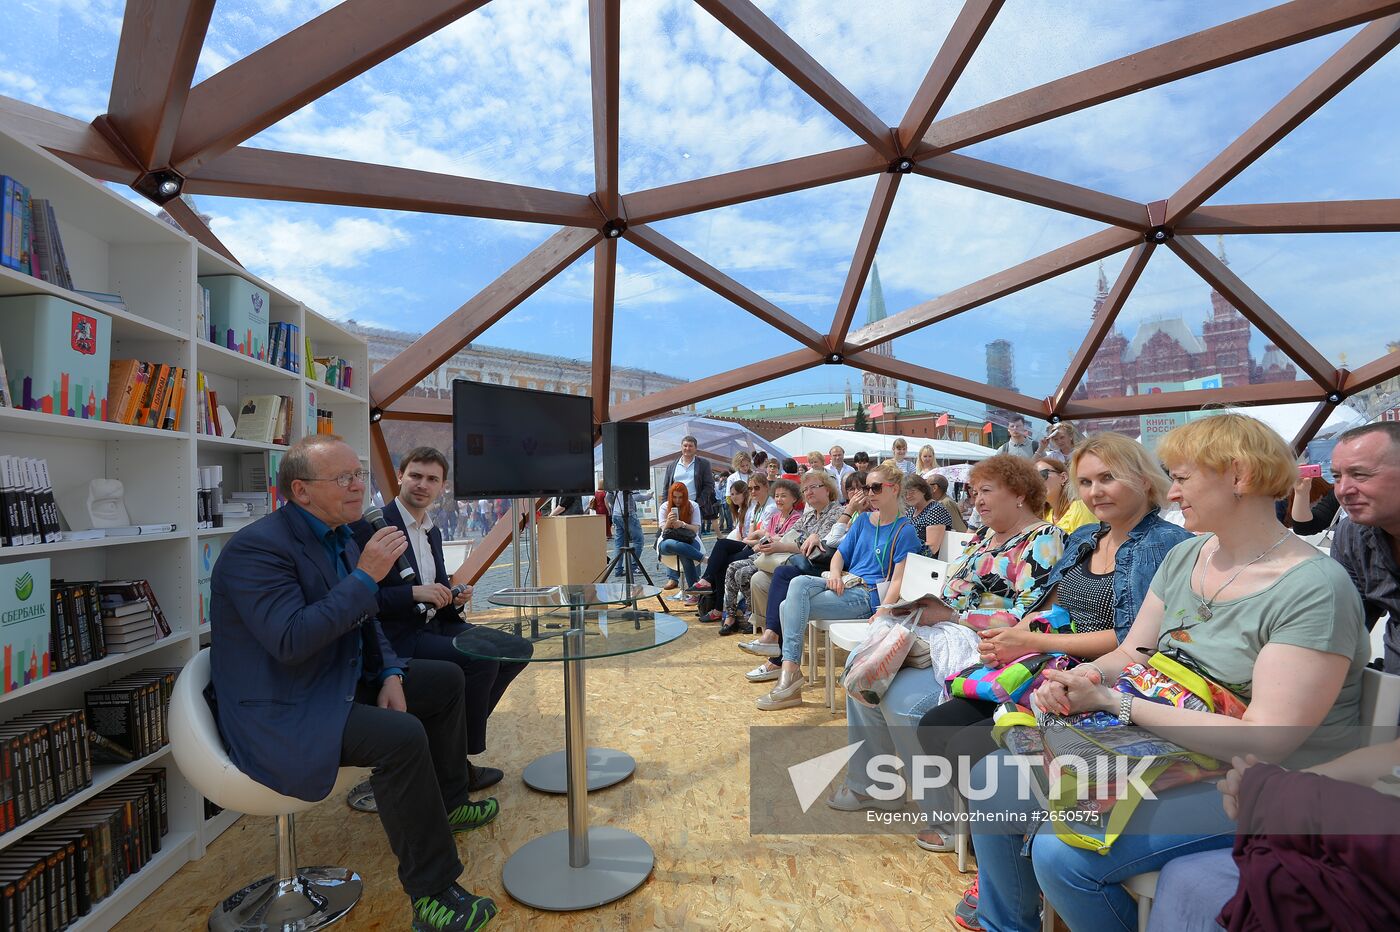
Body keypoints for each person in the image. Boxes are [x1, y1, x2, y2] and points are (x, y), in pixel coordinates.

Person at [969, 413, 1368, 932]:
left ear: (1239, 476)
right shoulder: (1186, 555)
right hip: (1173, 750)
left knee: (1065, 854)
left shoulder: (1312, 586)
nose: (1172, 493)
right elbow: (1134, 651)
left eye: (1182, 478)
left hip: (1266, 782)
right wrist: (1084, 679)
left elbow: (1269, 740)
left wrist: (1119, 704)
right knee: (993, 781)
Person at [210, 436, 499, 932]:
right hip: (286, 705)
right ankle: (432, 893)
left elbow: (366, 621)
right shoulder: (256, 551)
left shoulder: (340, 534)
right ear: (300, 491)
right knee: (402, 738)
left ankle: (450, 803)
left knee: (445, 679)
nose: (357, 486)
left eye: (359, 475)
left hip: (335, 679)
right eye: (343, 478)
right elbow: (290, 640)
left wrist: (389, 671)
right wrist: (367, 576)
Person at [919, 433, 1191, 920]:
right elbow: (1054, 608)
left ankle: (1016, 872)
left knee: (975, 747)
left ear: (1143, 478)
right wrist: (1014, 637)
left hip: (1101, 680)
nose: (1094, 492)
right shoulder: (1089, 538)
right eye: (1085, 482)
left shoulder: (1165, 546)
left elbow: (1133, 643)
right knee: (939, 725)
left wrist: (1038, 643)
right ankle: (1004, 860)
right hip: (1051, 669)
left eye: (1107, 478)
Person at [830, 455, 1065, 850]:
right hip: (946, 635)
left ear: (1021, 494)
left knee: (904, 701)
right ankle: (872, 784)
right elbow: (954, 590)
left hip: (994, 648)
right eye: (974, 493)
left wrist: (956, 614)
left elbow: (1030, 613)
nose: (977, 502)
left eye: (986, 492)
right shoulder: (983, 538)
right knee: (862, 672)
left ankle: (947, 817)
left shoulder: (1044, 540)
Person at [350, 446, 533, 796]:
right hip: (397, 634)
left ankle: (448, 752)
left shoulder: (431, 531)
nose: (422, 484)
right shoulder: (372, 528)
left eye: (432, 479)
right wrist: (415, 594)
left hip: (436, 623)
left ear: (442, 486)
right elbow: (361, 599)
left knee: (517, 649)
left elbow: (434, 586)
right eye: (415, 475)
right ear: (400, 476)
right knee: (480, 662)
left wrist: (453, 596)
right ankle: (454, 763)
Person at [754, 462, 925, 710]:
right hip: (846, 583)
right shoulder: (865, 520)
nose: (870, 493)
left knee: (785, 605)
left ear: (894, 489)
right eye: (867, 488)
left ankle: (788, 676)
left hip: (868, 596)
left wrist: (884, 610)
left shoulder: (904, 530)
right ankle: (790, 674)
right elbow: (839, 555)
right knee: (798, 582)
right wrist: (835, 573)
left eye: (876, 488)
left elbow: (898, 578)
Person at [741, 470, 868, 657]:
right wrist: (770, 540)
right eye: (805, 489)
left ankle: (775, 644)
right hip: (802, 564)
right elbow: (788, 534)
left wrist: (785, 544)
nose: (808, 492)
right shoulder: (808, 516)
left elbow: (824, 547)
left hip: (823, 567)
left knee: (782, 574)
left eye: (814, 487)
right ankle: (769, 634)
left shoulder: (837, 512)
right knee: (759, 578)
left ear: (828, 490)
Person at [1329, 421, 1400, 672]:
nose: (1343, 490)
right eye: (1336, 477)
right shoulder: (1352, 534)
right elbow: (1348, 625)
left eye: (1360, 474)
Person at [719, 478, 804, 634]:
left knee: (743, 573)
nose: (779, 499)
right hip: (764, 555)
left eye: (783, 496)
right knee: (731, 568)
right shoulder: (775, 518)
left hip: (778, 558)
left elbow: (786, 539)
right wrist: (761, 542)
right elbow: (767, 537)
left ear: (794, 498)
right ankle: (730, 615)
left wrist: (766, 540)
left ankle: (753, 615)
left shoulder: (796, 518)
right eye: (777, 496)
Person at [657, 481, 705, 595]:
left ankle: (694, 592)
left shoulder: (693, 506)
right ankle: (703, 561)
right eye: (674, 497)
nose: (677, 500)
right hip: (668, 542)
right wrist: (669, 522)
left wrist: (683, 524)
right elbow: (663, 530)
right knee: (671, 544)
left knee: (683, 551)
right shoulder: (664, 507)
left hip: (689, 539)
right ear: (670, 496)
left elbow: (695, 529)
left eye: (680, 497)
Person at [661, 435, 715, 525]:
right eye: (685, 446)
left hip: (693, 506)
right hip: (675, 507)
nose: (687, 448)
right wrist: (665, 505)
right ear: (681, 447)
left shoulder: (703, 464)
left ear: (695, 448)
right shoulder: (672, 466)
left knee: (693, 534)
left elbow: (709, 485)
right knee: (674, 533)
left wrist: (699, 503)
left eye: (690, 446)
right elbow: (666, 488)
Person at [1038, 455, 1097, 535]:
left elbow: (1089, 545)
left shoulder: (1080, 508)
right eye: (1034, 479)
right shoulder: (1046, 516)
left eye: (1042, 475)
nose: (1038, 482)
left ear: (1063, 477)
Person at [902, 473, 954, 557]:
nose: (907, 496)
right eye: (904, 493)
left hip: (927, 563)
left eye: (912, 492)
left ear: (923, 490)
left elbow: (931, 548)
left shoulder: (936, 510)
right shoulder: (912, 510)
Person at [606, 486, 653, 577]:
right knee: (638, 540)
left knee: (618, 543)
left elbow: (608, 496)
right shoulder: (630, 480)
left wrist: (614, 506)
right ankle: (633, 567)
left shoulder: (615, 479)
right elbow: (636, 497)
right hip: (628, 514)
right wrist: (648, 496)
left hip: (616, 514)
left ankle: (618, 569)